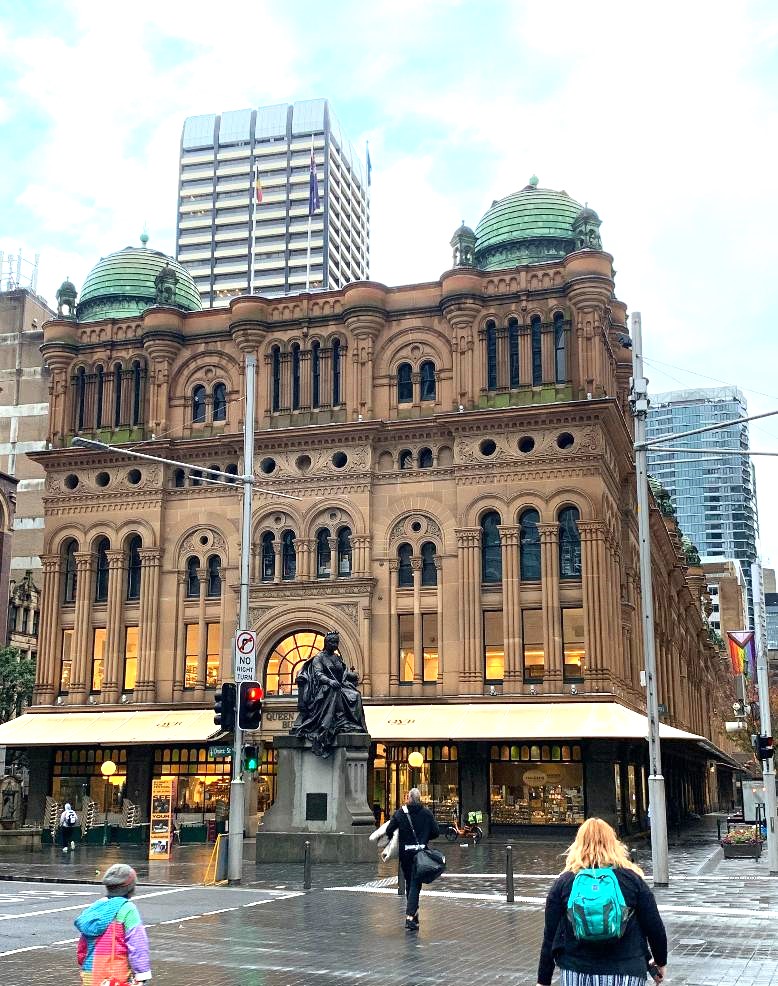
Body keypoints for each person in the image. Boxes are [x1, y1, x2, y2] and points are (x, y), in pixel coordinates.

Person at [537, 817, 667, 986]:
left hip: (577, 971)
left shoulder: (565, 882)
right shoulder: (632, 880)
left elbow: (550, 936)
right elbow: (654, 927)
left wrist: (543, 980)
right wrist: (660, 962)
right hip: (626, 970)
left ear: (578, 844)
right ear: (613, 843)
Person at [75, 863, 152, 984]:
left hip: (90, 973)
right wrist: (142, 973)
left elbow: (83, 944)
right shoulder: (128, 909)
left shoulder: (95, 908)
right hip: (114, 974)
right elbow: (137, 944)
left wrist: (83, 961)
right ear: (131, 888)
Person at [384, 788, 439, 931]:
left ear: (408, 798)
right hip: (420, 854)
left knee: (410, 882)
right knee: (415, 884)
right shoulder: (427, 814)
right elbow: (436, 832)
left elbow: (389, 830)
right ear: (419, 799)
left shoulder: (400, 813)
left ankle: (413, 916)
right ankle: (410, 916)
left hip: (406, 855)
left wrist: (396, 838)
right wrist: (424, 837)